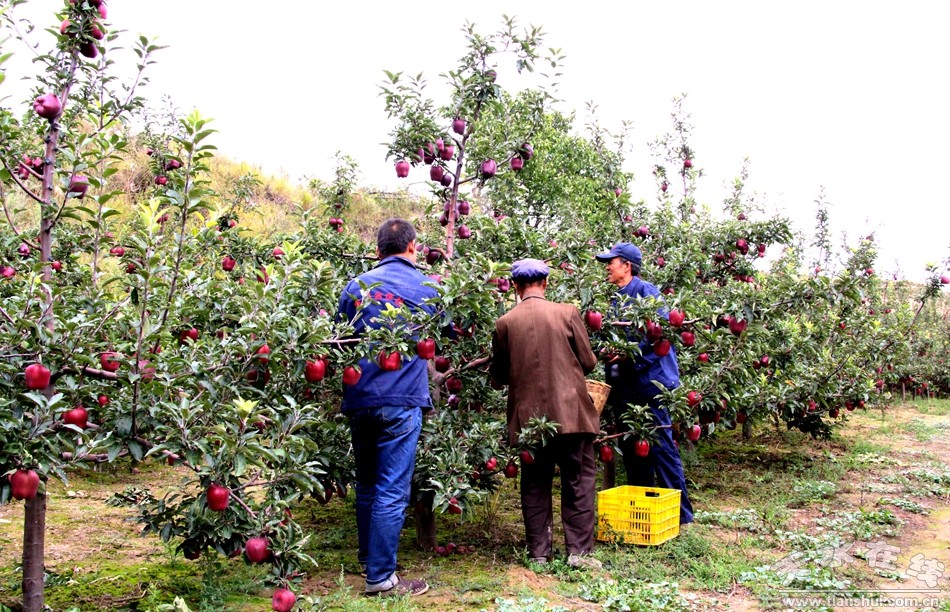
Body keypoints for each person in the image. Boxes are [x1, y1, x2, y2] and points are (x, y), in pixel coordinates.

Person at [336, 218, 435, 597]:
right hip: (402, 399)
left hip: (361, 397)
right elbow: (449, 330)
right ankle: (380, 576)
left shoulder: (356, 285)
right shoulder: (428, 286)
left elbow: (340, 337)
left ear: (377, 251)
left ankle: (369, 558)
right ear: (413, 247)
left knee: (367, 483)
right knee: (392, 488)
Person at [489, 258, 602, 568]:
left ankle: (540, 553)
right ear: (546, 284)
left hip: (529, 422)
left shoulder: (505, 323)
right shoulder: (567, 313)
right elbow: (589, 362)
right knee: (578, 481)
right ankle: (578, 553)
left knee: (535, 483)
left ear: (515, 287)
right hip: (572, 415)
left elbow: (498, 377)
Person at [595, 242, 694, 525]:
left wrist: (627, 357)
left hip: (652, 384)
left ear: (626, 265)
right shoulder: (611, 299)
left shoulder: (646, 293)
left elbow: (659, 338)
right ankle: (642, 512)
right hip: (624, 386)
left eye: (611, 262)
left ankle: (681, 516)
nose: (607, 267)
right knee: (632, 449)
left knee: (661, 447)